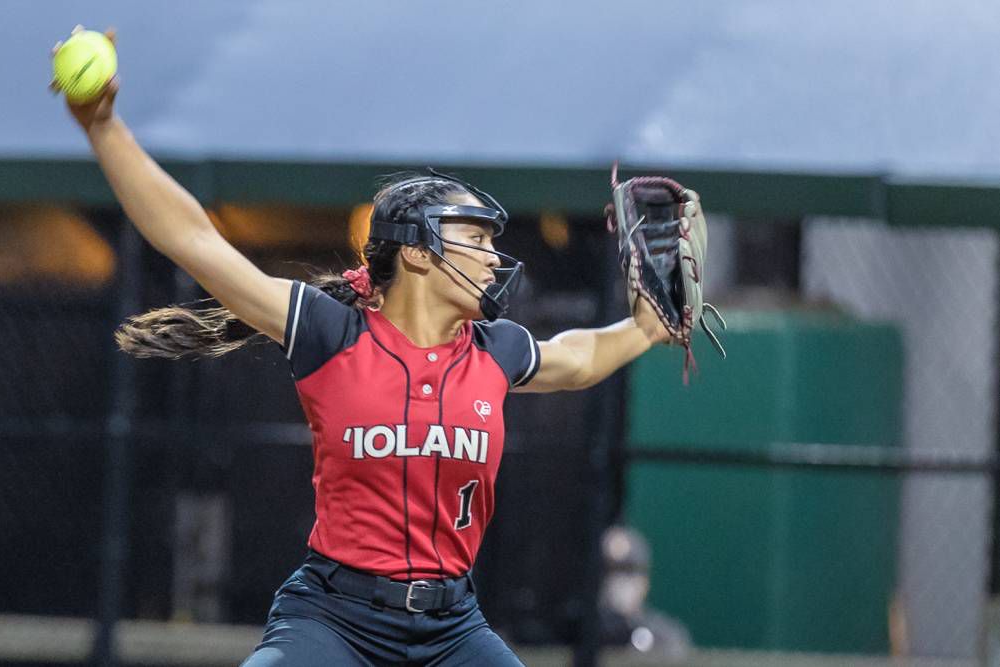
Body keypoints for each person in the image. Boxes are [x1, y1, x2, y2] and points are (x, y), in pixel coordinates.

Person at [55, 27, 672, 667]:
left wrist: (646, 328)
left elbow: (578, 360)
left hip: (452, 627)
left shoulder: (495, 349)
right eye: (476, 238)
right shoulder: (331, 331)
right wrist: (104, 129)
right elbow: (193, 240)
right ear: (416, 252)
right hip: (333, 620)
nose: (495, 258)